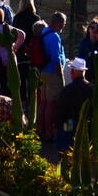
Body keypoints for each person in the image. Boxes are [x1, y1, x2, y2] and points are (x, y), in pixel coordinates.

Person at [37, 11, 67, 140]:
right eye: (63, 24)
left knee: (43, 103)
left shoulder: (43, 32)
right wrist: (61, 76)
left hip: (42, 71)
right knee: (51, 103)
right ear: (59, 23)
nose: (63, 26)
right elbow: (56, 59)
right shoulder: (54, 36)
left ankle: (40, 129)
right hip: (52, 73)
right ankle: (49, 132)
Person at [54, 57, 93, 154]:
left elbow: (61, 109)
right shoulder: (91, 88)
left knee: (65, 149)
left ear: (73, 72)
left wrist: (57, 124)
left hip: (69, 122)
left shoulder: (68, 89)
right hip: (86, 124)